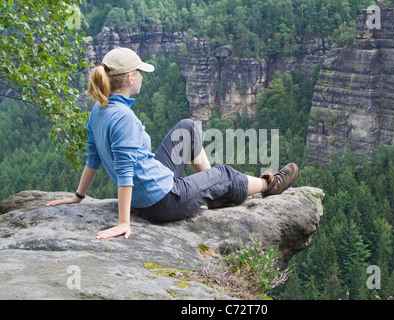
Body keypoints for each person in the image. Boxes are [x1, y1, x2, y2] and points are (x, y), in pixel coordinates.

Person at [46, 47, 298, 240]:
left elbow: (93, 159)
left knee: (186, 128)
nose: (143, 77)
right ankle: (269, 184)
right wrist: (124, 223)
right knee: (224, 174)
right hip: (163, 202)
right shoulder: (124, 119)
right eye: (141, 73)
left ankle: (216, 196)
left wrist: (79, 196)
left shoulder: (98, 110)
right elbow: (124, 173)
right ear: (131, 78)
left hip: (149, 190)